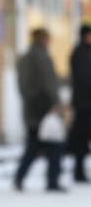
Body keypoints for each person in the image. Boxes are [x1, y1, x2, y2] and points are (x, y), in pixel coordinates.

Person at [14, 28, 65, 192]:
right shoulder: (41, 57)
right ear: (43, 39)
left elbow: (23, 86)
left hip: (32, 110)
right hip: (44, 110)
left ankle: (20, 177)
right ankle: (52, 181)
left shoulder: (25, 57)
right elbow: (49, 84)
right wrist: (56, 104)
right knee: (54, 147)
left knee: (34, 147)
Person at [67, 24, 91, 182]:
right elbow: (84, 77)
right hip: (83, 104)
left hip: (85, 103)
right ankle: (78, 172)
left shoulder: (84, 52)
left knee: (82, 139)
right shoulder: (80, 52)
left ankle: (80, 171)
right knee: (81, 139)